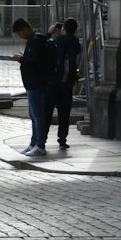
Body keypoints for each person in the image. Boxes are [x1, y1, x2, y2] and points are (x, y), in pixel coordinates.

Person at [11, 17, 56, 157]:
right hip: (32, 84)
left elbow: (36, 61)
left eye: (20, 33)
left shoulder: (36, 41)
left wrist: (21, 59)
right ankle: (33, 143)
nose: (20, 36)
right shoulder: (33, 40)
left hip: (37, 83)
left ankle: (40, 144)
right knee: (34, 115)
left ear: (25, 29)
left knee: (38, 115)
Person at [48, 17, 82, 151]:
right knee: (64, 113)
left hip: (55, 81)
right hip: (68, 82)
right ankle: (62, 140)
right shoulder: (75, 43)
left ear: (63, 29)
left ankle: (41, 140)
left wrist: (50, 32)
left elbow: (47, 44)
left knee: (48, 111)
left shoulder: (58, 40)